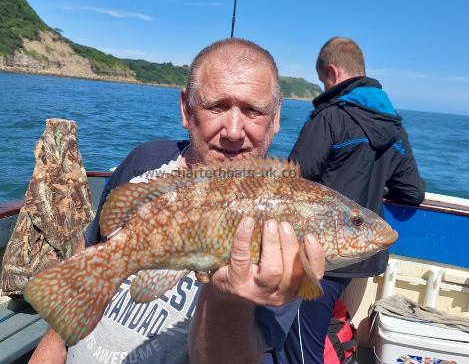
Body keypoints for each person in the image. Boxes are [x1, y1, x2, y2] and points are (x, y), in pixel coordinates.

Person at [29, 38, 326, 364]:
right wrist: (51, 346)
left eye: (253, 110)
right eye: (217, 106)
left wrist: (226, 299)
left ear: (276, 117)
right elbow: (90, 253)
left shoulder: (288, 235)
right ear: (187, 109)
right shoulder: (146, 160)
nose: (233, 130)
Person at [286, 36, 425, 363]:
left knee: (300, 344)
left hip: (325, 253)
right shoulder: (393, 127)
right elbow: (412, 192)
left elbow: (291, 183)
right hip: (364, 256)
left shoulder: (330, 117)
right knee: (323, 332)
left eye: (323, 80)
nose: (323, 87)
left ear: (332, 72)